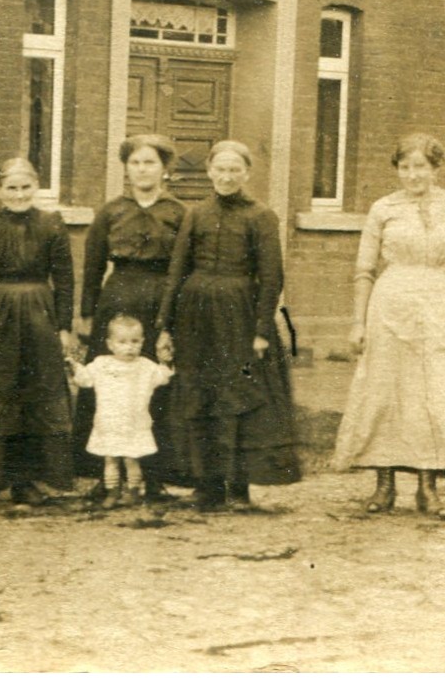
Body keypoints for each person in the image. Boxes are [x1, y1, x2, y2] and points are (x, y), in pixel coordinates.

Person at [331, 133, 445, 520]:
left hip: (436, 309)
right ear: (397, 169)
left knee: (435, 392)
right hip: (389, 306)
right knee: (387, 391)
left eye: (421, 167)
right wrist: (358, 323)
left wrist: (434, 289)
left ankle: (428, 488)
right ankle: (384, 486)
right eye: (405, 167)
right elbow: (364, 270)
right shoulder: (383, 209)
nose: (413, 175)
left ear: (435, 168)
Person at [156, 140, 300, 511]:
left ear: (247, 174)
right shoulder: (196, 213)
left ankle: (238, 486)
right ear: (209, 172)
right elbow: (177, 270)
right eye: (220, 169)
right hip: (196, 315)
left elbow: (271, 278)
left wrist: (261, 331)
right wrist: (166, 326)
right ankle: (207, 485)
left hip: (240, 315)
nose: (226, 177)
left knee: (238, 398)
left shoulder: (261, 216)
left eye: (234, 170)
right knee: (200, 396)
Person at [0, 157, 77, 511]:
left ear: (36, 188)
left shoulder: (52, 224)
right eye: (11, 188)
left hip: (40, 315)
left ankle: (26, 481)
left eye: (25, 187)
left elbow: (65, 280)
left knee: (34, 394)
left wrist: (64, 329)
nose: (19, 195)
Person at [72, 133, 187, 499]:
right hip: (116, 300)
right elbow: (92, 267)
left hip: (160, 303)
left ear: (165, 169)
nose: (142, 169)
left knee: (153, 385)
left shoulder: (178, 214)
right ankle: (101, 474)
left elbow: (184, 268)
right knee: (106, 386)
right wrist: (87, 316)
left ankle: (153, 476)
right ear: (126, 168)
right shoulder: (111, 212)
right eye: (135, 162)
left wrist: (174, 320)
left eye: (150, 162)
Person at [69, 314, 173, 509]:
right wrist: (76, 366)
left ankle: (133, 491)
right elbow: (84, 380)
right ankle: (112, 492)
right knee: (111, 459)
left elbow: (163, 378)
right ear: (110, 344)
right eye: (122, 342)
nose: (129, 346)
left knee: (132, 458)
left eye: (135, 341)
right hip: (109, 422)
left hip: (134, 422)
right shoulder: (101, 364)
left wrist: (164, 362)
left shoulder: (145, 366)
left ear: (142, 342)